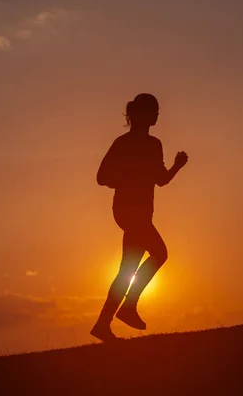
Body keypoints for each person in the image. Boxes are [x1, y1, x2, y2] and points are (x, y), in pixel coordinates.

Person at [90, 93, 188, 342]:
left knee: (128, 268)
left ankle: (103, 324)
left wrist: (177, 166)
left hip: (136, 212)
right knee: (160, 253)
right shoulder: (124, 143)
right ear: (141, 114)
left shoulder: (153, 145)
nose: (157, 115)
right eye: (154, 110)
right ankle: (129, 306)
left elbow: (161, 179)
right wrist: (128, 176)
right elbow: (102, 177)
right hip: (128, 211)